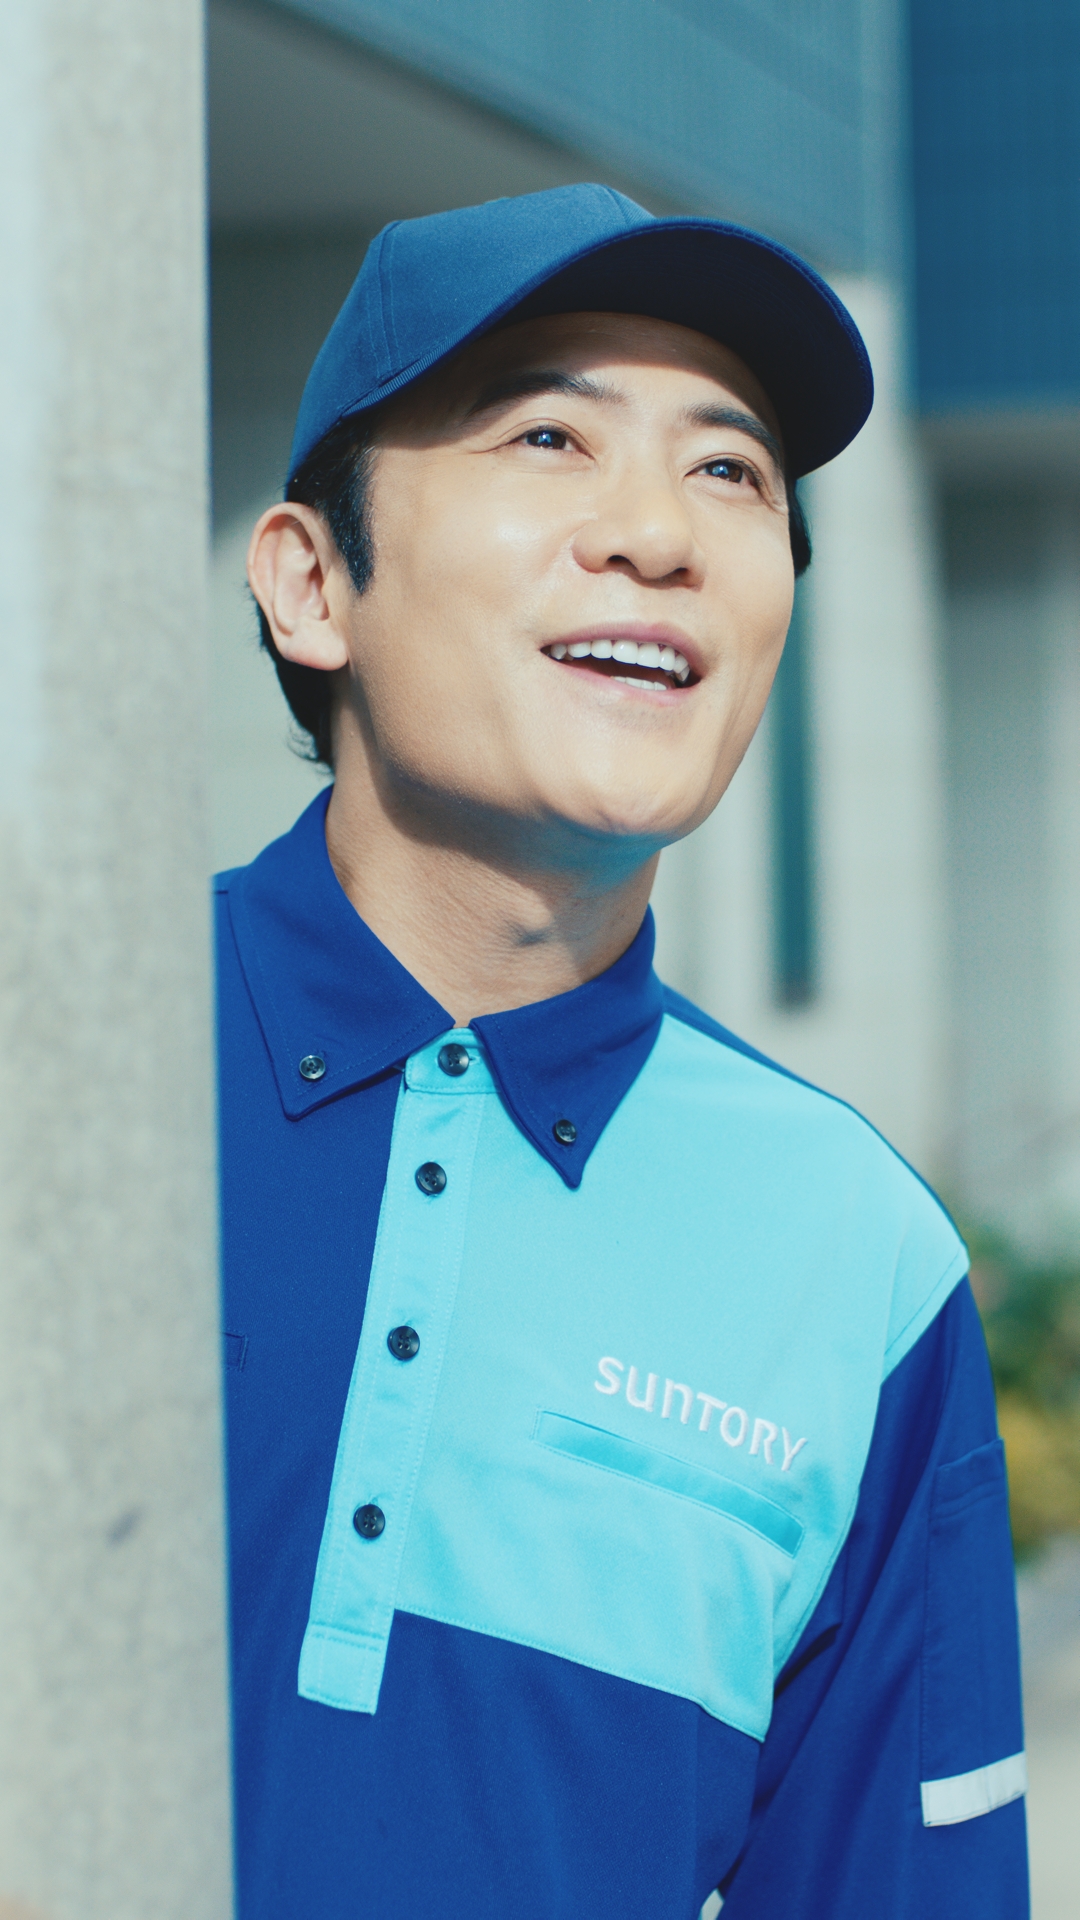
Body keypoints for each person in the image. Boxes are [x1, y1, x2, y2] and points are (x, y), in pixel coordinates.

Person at [219, 183, 1028, 1919]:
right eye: (547, 436)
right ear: (312, 581)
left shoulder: (858, 1260)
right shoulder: (56, 1075)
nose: (659, 534)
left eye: (732, 471)